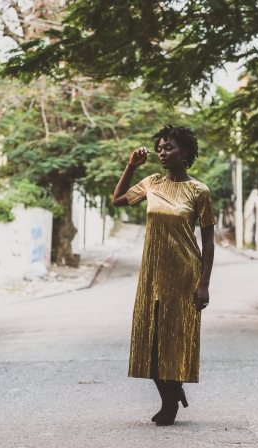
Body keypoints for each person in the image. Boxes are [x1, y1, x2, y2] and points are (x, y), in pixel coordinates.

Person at [112, 124, 216, 426]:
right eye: (159, 148)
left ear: (184, 153)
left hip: (185, 275)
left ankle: (169, 403)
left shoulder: (199, 191)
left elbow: (208, 241)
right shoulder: (152, 183)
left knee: (176, 338)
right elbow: (118, 200)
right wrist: (131, 167)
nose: (161, 152)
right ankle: (172, 394)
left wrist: (204, 284)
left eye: (168, 147)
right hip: (153, 274)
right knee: (150, 338)